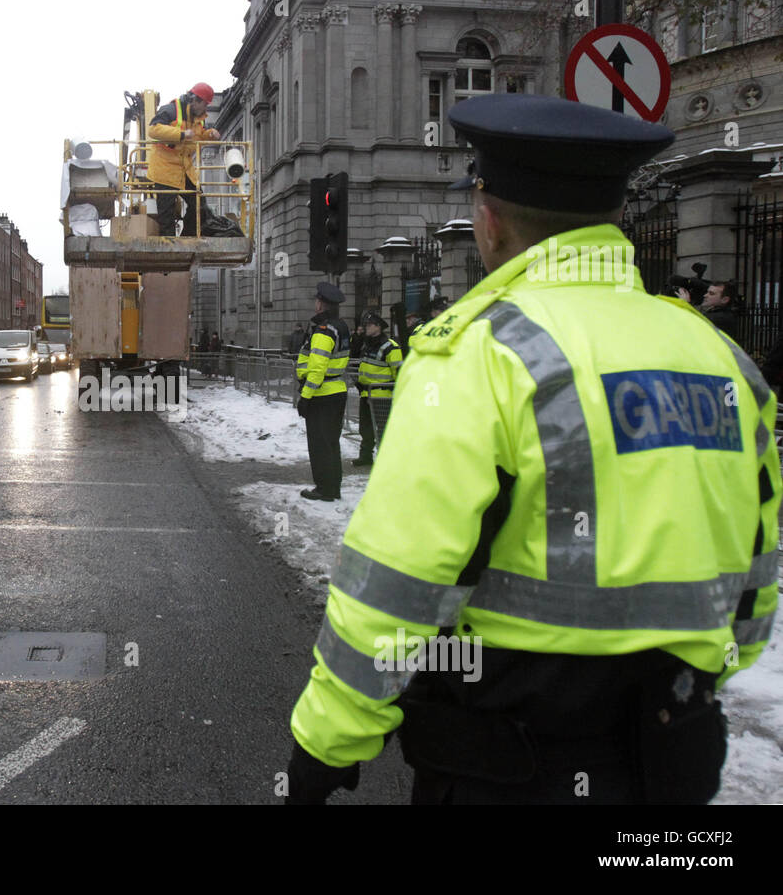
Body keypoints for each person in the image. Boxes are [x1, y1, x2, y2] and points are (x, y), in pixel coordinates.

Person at [285, 94, 778, 805]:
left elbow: (395, 582)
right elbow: (757, 569)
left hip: (512, 763)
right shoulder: (721, 356)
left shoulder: (481, 352)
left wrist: (325, 743)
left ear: (487, 219)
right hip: (678, 750)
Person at [295, 282, 352, 501]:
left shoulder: (323, 331)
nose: (315, 304)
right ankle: (333, 487)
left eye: (317, 301)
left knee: (319, 445)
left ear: (321, 304)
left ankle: (324, 489)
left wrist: (305, 398)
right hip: (337, 390)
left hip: (322, 395)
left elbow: (317, 370)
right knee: (331, 443)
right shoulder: (341, 327)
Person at [147, 83, 220, 237]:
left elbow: (197, 136)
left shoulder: (198, 119)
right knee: (166, 214)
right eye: (205, 104)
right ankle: (170, 247)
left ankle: (187, 238)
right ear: (195, 100)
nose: (205, 109)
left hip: (184, 168)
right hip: (165, 168)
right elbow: (153, 129)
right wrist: (181, 134)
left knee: (200, 205)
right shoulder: (171, 110)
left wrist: (209, 134)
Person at [351, 313, 401, 467]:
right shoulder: (367, 344)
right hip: (367, 393)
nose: (366, 327)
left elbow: (399, 373)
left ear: (378, 327)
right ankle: (366, 456)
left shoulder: (390, 346)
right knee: (365, 429)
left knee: (383, 429)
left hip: (382, 395)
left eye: (369, 325)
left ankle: (387, 459)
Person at [701, 279, 741, 346]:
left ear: (724, 300)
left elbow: (695, 323)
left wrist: (684, 305)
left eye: (711, 294)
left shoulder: (722, 317)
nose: (705, 295)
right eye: (707, 292)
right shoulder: (714, 312)